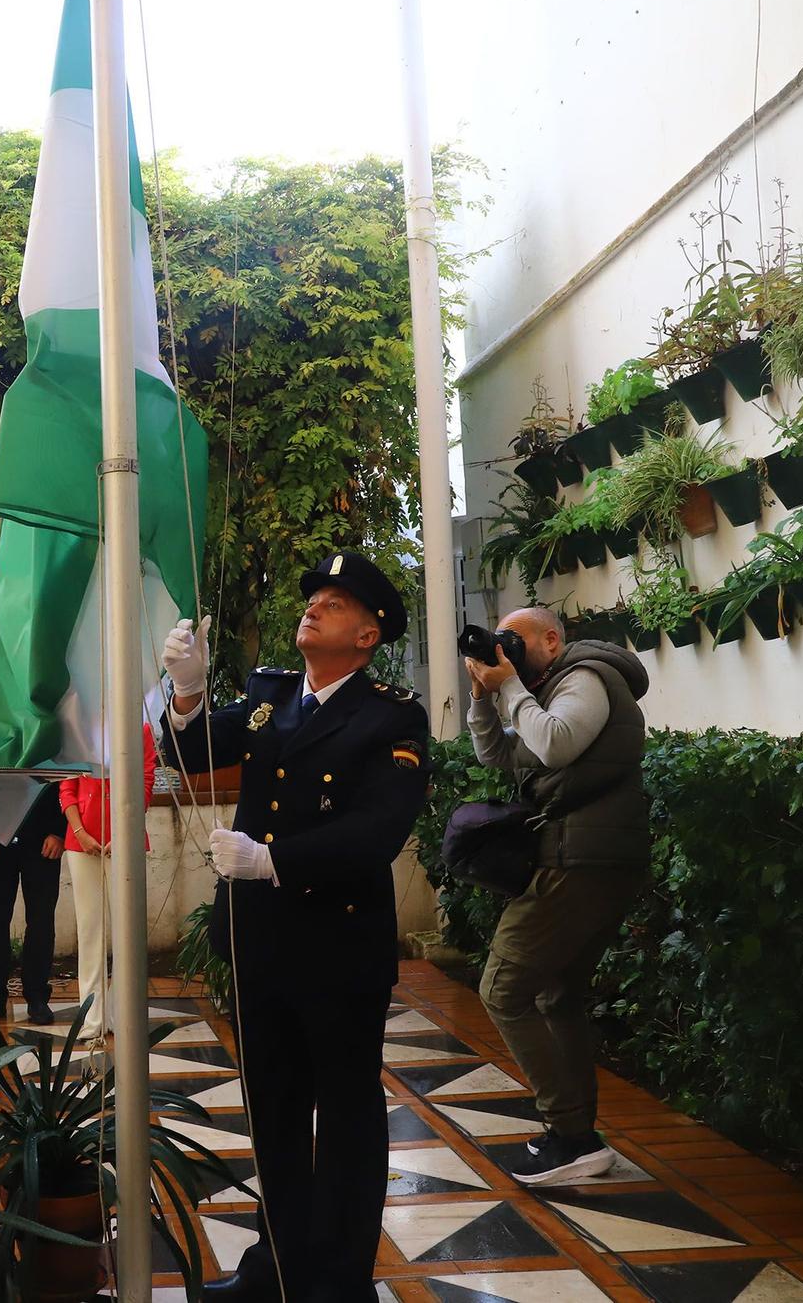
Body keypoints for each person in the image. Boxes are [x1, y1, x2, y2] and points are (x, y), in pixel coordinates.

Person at [160, 551, 430, 1303]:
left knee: (344, 1120)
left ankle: (339, 1284)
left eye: (336, 603)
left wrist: (271, 859)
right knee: (274, 1115)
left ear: (369, 635)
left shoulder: (391, 715)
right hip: (260, 944)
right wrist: (186, 693)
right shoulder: (270, 699)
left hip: (337, 950)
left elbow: (376, 833)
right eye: (314, 597)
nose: (314, 607)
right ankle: (273, 1271)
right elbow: (187, 753)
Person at [464, 606, 650, 1187]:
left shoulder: (586, 677)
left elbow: (556, 744)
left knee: (503, 987)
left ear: (551, 639)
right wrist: (482, 694)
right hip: (585, 859)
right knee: (555, 995)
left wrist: (512, 686)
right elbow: (499, 754)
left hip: (581, 863)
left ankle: (569, 1132)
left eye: (513, 640)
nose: (505, 649)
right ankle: (575, 1139)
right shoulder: (546, 687)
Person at [56, 721, 157, 1043]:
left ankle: (123, 1013)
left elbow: (146, 780)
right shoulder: (76, 727)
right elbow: (65, 787)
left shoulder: (138, 728)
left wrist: (123, 832)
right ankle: (93, 1017)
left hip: (125, 840)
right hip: (81, 842)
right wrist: (81, 833)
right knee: (90, 931)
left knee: (128, 930)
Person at [0, 780, 67, 1028]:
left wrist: (58, 831)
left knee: (41, 921)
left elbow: (62, 775)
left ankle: (37, 996)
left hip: (43, 839)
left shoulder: (42, 737)